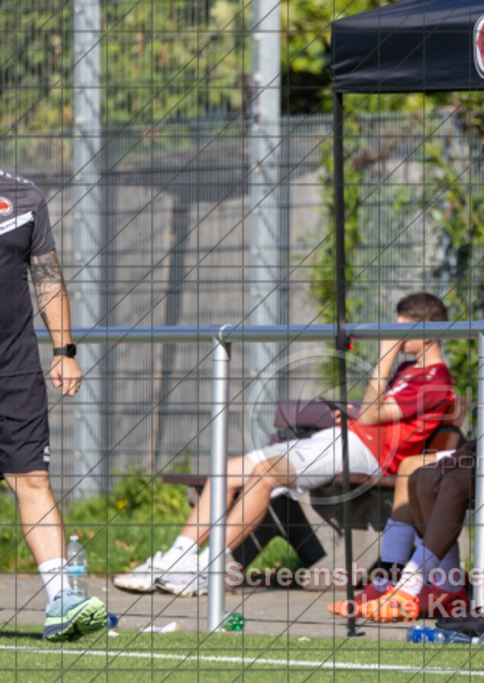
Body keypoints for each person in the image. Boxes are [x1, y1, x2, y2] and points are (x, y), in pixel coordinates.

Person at [113, 292, 454, 596]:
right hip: (345, 439)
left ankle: (207, 569)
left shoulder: (437, 381)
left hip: (368, 453)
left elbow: (370, 416)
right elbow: (374, 414)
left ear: (427, 332)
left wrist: (383, 358)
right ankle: (177, 558)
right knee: (225, 471)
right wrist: (351, 412)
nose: (394, 335)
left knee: (266, 473)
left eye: (402, 329)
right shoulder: (409, 370)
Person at [347, 262, 484, 621]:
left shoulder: (436, 378)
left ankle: (416, 585)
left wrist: (482, 449)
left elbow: (370, 415)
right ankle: (430, 583)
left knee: (464, 472)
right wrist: (479, 446)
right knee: (423, 471)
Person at [0, 168, 107, 641]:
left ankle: (63, 600)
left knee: (33, 478)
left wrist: (64, 351)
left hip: (15, 368)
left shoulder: (24, 196)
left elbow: (45, 276)